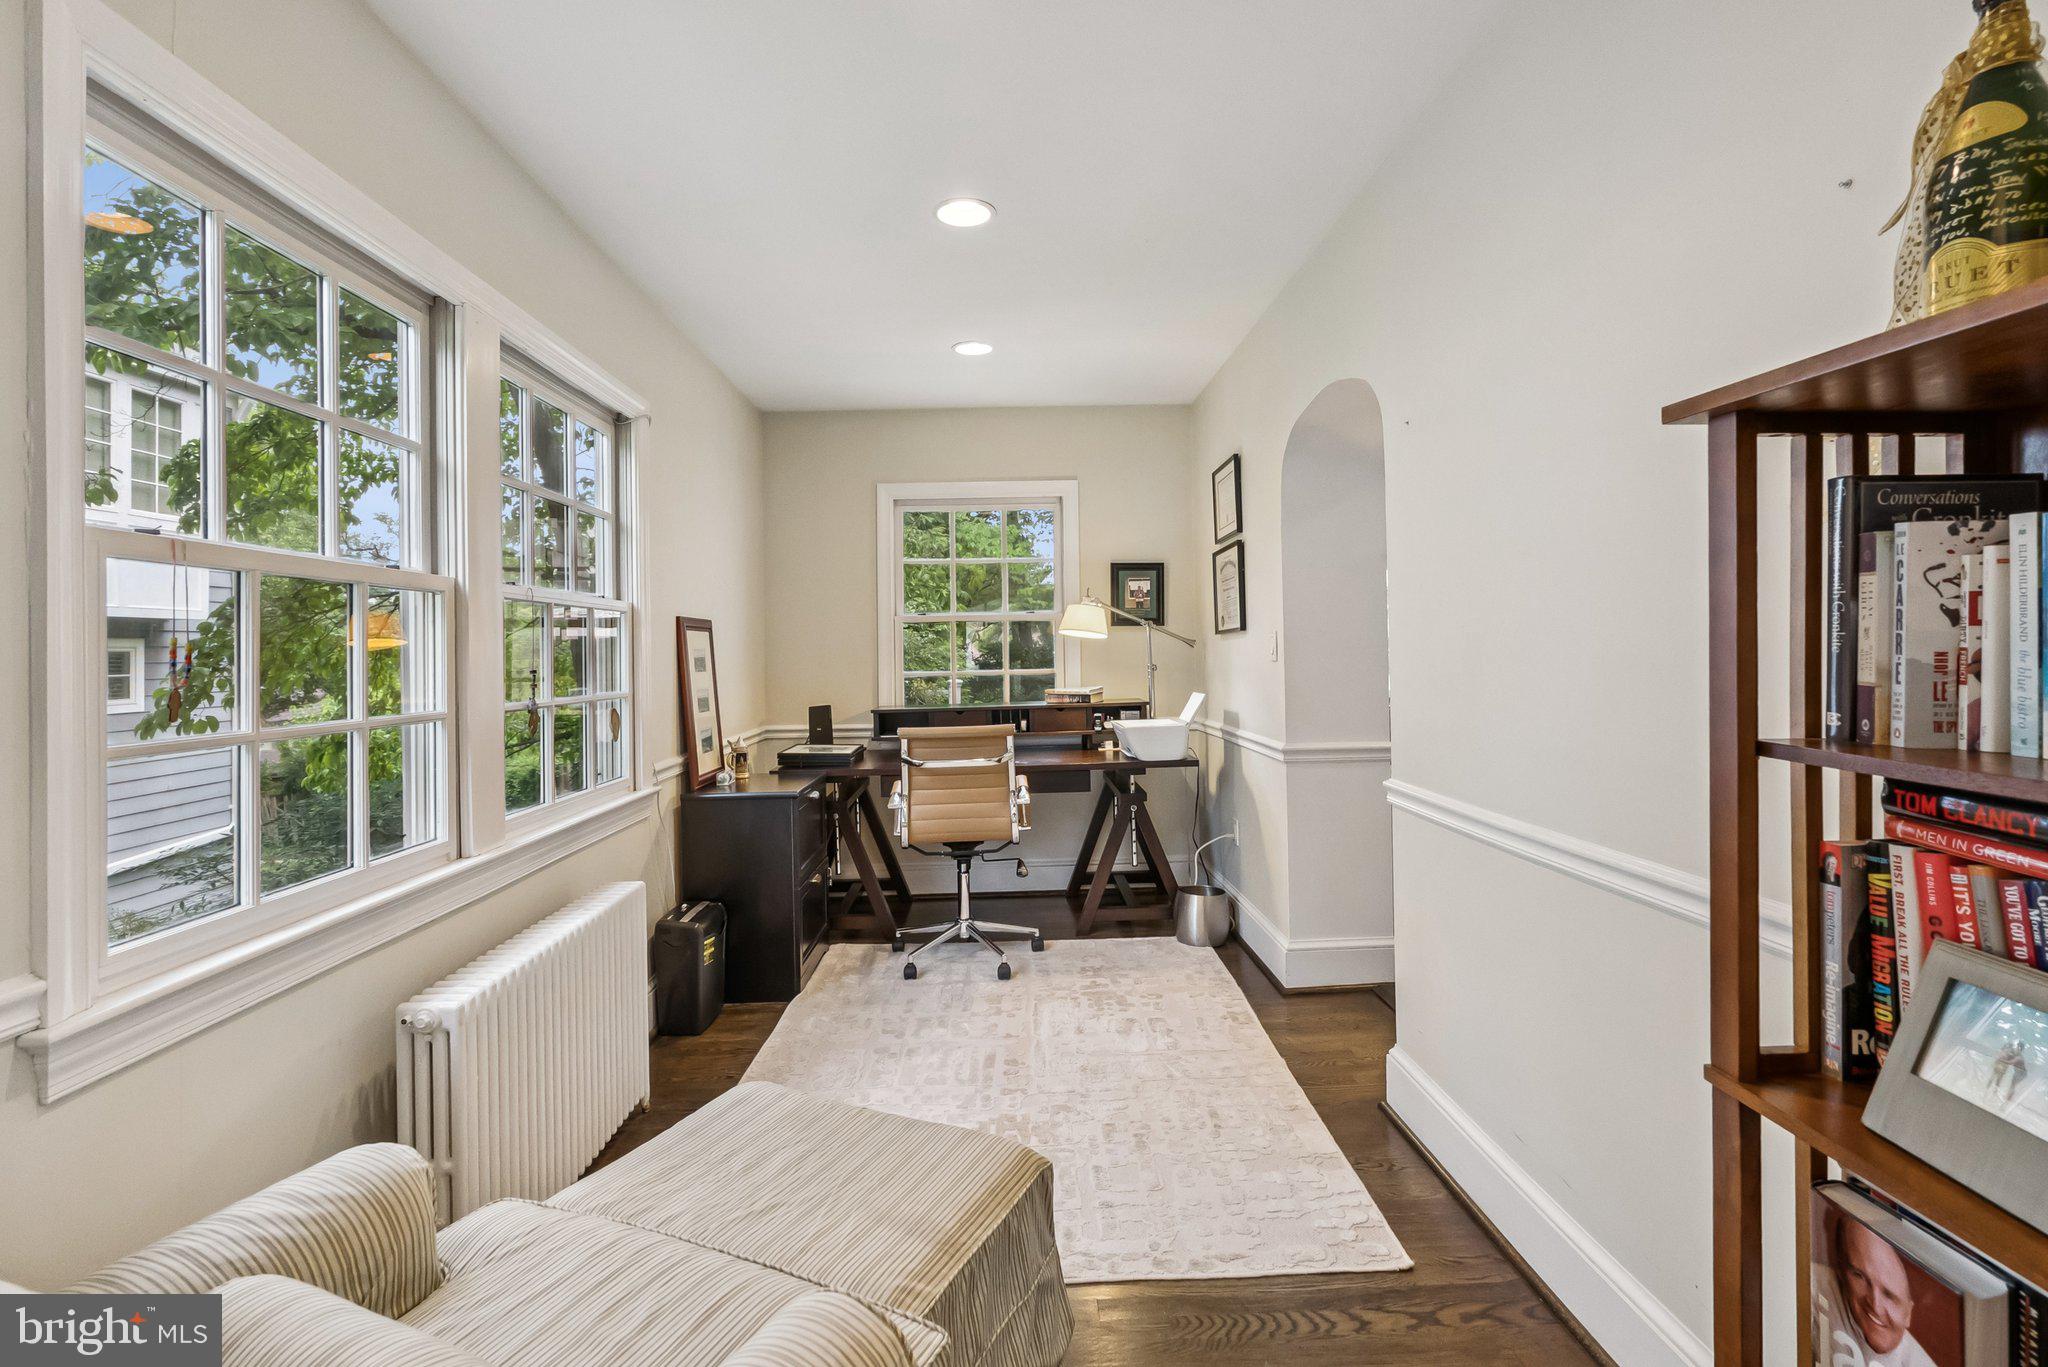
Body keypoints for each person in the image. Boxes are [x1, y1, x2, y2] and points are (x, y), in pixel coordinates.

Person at [1814, 1208, 1941, 1367]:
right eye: (1859, 1276)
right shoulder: (1812, 1284)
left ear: (1908, 1313)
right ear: (1841, 1272)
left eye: (1889, 1295)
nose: (1875, 1305)